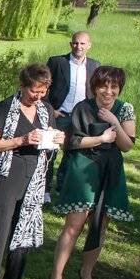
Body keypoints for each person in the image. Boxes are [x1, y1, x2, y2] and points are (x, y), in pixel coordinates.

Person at [50, 66, 135, 279]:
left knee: (99, 225)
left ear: (119, 89)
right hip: (83, 168)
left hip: (111, 172)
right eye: (103, 86)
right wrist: (101, 138)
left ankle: (87, 272)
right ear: (95, 87)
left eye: (113, 87)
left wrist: (114, 122)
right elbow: (72, 142)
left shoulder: (125, 109)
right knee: (74, 225)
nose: (108, 91)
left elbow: (127, 146)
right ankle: (57, 277)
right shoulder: (82, 107)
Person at [0, 64, 64, 279]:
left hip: (35, 176)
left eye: (43, 92)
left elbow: (50, 137)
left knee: (24, 228)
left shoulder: (46, 109)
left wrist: (57, 138)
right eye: (34, 92)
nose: (38, 97)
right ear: (23, 85)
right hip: (8, 175)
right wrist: (21, 140)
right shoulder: (6, 107)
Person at [45, 32, 100, 199]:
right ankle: (45, 190)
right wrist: (50, 108)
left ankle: (62, 189)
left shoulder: (95, 65)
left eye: (82, 44)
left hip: (80, 118)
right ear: (71, 44)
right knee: (50, 151)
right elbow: (44, 85)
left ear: (89, 45)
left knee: (72, 154)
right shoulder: (57, 62)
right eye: (76, 43)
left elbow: (96, 91)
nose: (79, 47)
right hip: (59, 114)